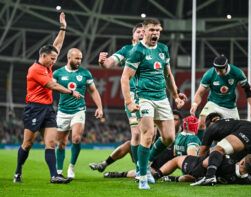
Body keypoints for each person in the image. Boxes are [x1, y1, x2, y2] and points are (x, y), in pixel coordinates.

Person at [13, 12, 81, 184]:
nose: (54, 61)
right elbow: (52, 85)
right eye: (51, 59)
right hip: (34, 108)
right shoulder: (35, 70)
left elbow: (57, 45)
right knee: (27, 143)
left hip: (48, 108)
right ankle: (18, 171)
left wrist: (63, 27)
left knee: (51, 143)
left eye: (55, 59)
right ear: (43, 56)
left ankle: (54, 176)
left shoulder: (47, 64)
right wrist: (70, 92)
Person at [121, 18, 186, 189]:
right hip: (144, 98)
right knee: (148, 134)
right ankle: (142, 176)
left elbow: (168, 75)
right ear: (145, 30)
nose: (155, 33)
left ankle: (146, 163)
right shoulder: (138, 51)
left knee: (169, 137)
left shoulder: (163, 49)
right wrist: (129, 102)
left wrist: (176, 96)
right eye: (152, 30)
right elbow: (125, 77)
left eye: (158, 30)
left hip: (162, 98)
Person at [89, 23, 144, 175]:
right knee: (137, 134)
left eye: (143, 31)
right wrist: (102, 62)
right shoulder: (127, 50)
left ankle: (143, 166)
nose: (141, 33)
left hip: (152, 96)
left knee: (151, 135)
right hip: (133, 97)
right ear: (133, 35)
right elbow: (110, 63)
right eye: (138, 31)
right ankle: (140, 170)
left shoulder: (152, 51)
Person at [54, 48, 103, 179]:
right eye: (76, 58)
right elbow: (50, 87)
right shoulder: (58, 73)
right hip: (63, 111)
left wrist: (100, 107)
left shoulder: (85, 73)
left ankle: (71, 166)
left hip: (79, 110)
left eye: (80, 58)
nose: (79, 61)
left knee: (76, 138)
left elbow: (93, 90)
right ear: (69, 58)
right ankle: (58, 171)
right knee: (61, 143)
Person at [193, 112, 251, 186]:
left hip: (248, 132)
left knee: (218, 149)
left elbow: (202, 153)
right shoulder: (232, 123)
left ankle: (209, 176)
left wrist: (196, 171)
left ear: (212, 121)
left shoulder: (212, 127)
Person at [89, 110, 182, 174]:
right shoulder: (159, 130)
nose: (172, 121)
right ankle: (104, 164)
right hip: (147, 159)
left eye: (176, 119)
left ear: (180, 123)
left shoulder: (182, 137)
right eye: (171, 119)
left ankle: (119, 174)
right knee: (129, 144)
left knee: (147, 172)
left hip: (159, 169)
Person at [190, 55, 251, 133]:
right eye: (216, 70)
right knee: (201, 123)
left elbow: (248, 90)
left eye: (220, 70)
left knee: (237, 133)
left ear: (226, 67)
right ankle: (200, 145)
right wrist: (195, 104)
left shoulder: (237, 72)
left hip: (230, 107)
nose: (218, 73)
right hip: (213, 103)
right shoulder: (209, 74)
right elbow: (200, 93)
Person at [154, 154, 251, 184]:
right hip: (201, 176)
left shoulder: (228, 162)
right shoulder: (247, 180)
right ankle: (176, 179)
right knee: (191, 177)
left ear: (242, 162)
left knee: (177, 160)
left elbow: (205, 163)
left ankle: (156, 175)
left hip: (197, 166)